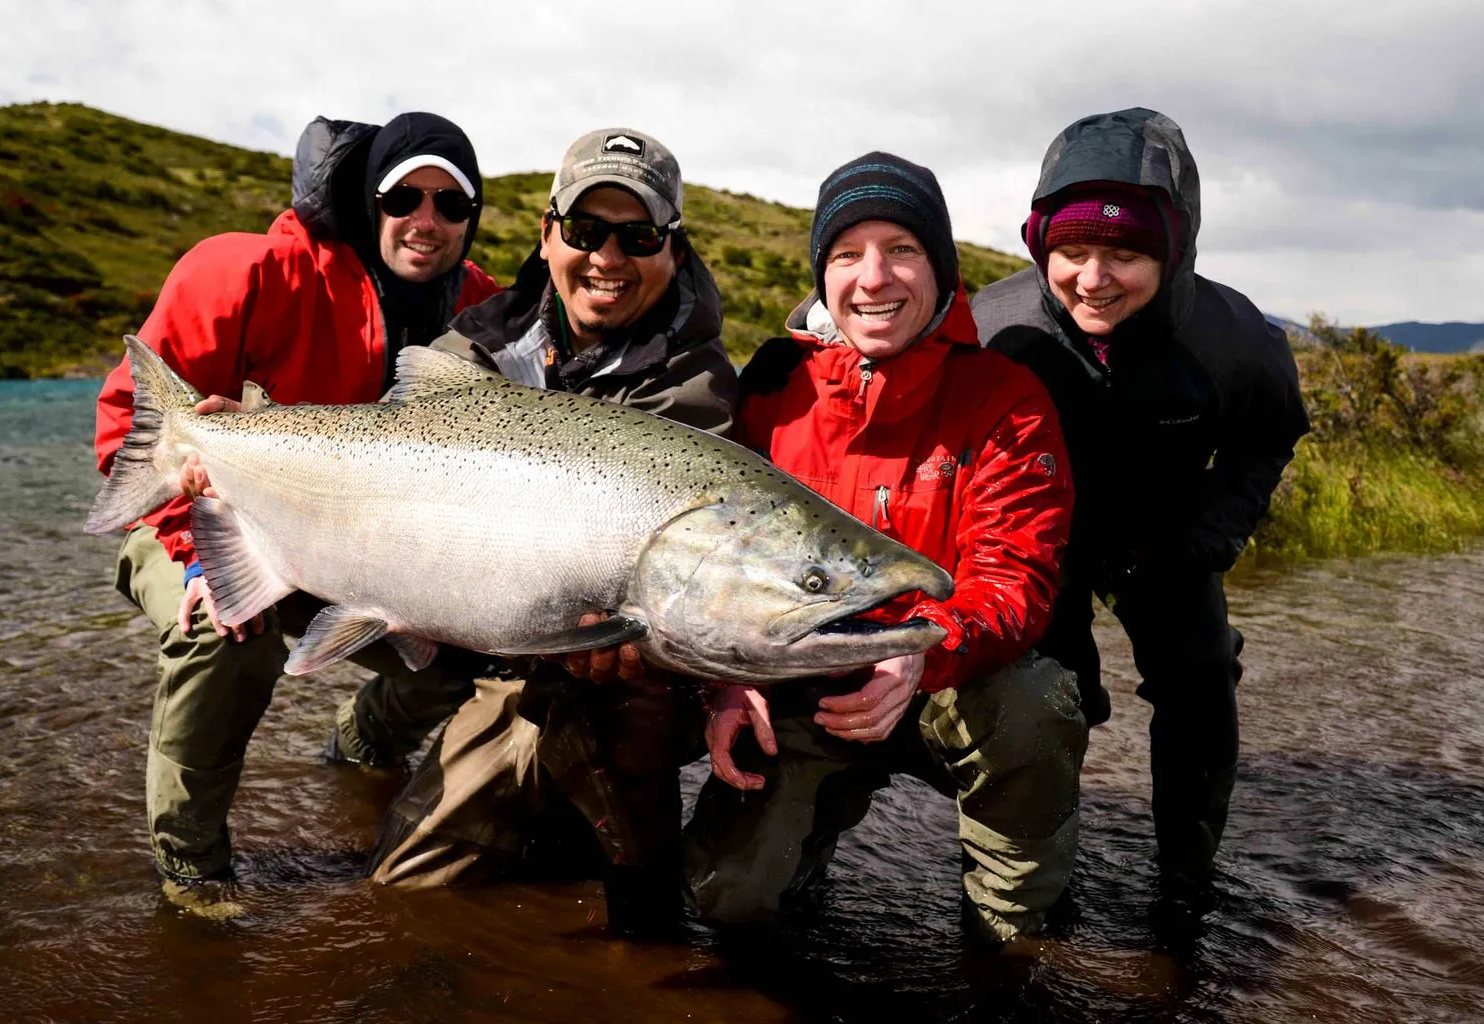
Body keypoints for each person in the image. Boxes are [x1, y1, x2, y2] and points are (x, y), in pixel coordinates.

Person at [93, 112, 503, 917]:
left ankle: (362, 746)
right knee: (225, 634)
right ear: (368, 200)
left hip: (359, 550)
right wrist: (194, 547)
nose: (426, 221)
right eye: (404, 199)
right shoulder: (243, 270)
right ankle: (192, 868)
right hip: (201, 523)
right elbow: (123, 431)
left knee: (478, 655)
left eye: (451, 205)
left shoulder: (486, 307)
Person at [680, 153, 1087, 943]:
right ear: (822, 275)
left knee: (1035, 705)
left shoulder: (1005, 396)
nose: (874, 277)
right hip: (808, 683)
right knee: (725, 902)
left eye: (901, 249)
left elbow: (1014, 578)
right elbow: (722, 566)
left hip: (950, 677)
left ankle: (1010, 929)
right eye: (846, 254)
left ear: (941, 269)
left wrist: (919, 653)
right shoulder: (773, 385)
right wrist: (728, 683)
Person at [363, 128, 738, 937]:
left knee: (626, 689)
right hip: (472, 619)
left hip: (603, 668)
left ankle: (643, 911)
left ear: (673, 250)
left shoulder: (696, 383)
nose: (608, 257)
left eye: (638, 237)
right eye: (586, 230)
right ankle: (364, 743)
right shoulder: (481, 343)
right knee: (403, 891)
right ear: (547, 235)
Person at [971, 108, 1311, 911]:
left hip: (1170, 536)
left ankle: (1186, 884)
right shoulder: (993, 329)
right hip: (1043, 541)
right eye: (1071, 252)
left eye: (1124, 255)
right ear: (1040, 247)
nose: (1094, 278)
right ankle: (1040, 883)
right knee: (1051, 697)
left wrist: (1211, 537)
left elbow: (1271, 436)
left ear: (1172, 251)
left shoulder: (1233, 337)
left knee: (1200, 684)